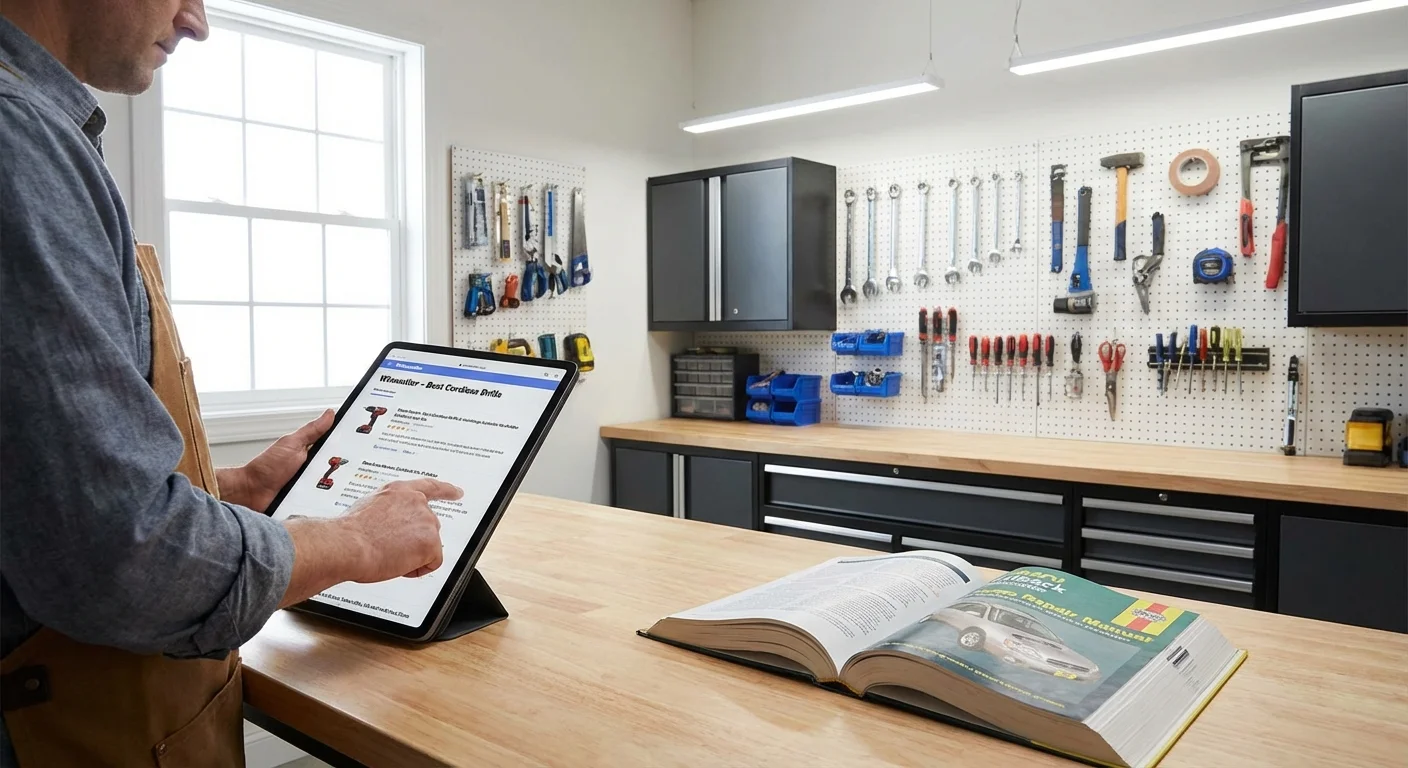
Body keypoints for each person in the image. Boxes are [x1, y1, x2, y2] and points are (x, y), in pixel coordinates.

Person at [0, 2, 458, 765]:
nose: (196, 21)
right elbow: (122, 562)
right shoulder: (20, 139)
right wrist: (352, 540)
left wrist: (238, 488)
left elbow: (36, 501)